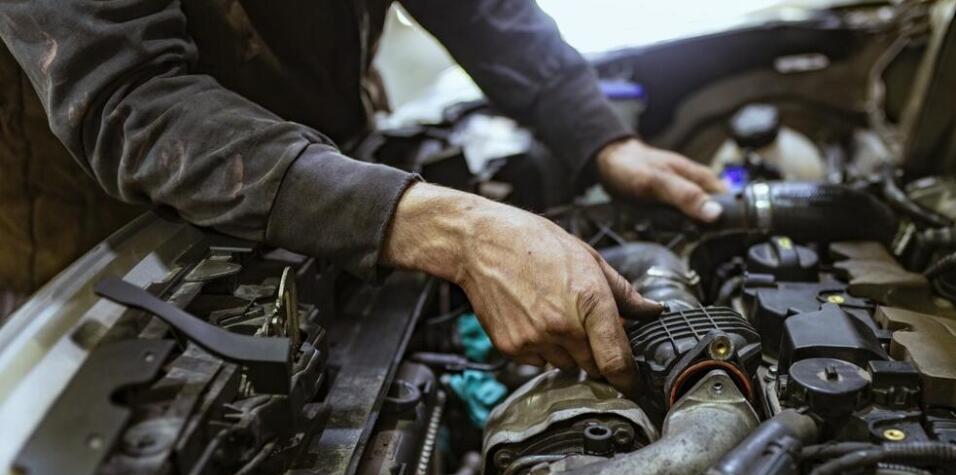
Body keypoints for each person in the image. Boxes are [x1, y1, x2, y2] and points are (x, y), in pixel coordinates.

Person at [0, 0, 726, 392]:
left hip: (333, 162)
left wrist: (598, 136)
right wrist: (459, 231)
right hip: (110, 254)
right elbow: (132, 99)